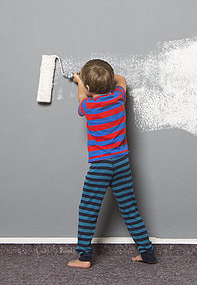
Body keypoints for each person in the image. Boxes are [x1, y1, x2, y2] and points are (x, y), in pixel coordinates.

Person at [67, 59, 157, 269]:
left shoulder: (88, 105)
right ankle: (147, 252)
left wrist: (80, 79)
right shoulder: (118, 98)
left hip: (101, 166)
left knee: (88, 209)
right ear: (110, 83)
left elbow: (81, 96)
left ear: (89, 88)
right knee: (130, 209)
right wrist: (106, 77)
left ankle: (84, 257)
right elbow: (122, 80)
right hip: (121, 163)